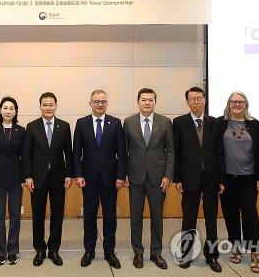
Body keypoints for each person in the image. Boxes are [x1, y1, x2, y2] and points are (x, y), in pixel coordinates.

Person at [73, 89, 126, 269]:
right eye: (96, 101)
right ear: (90, 103)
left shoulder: (116, 123)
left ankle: (109, 251)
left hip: (111, 180)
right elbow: (76, 153)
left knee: (110, 216)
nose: (100, 104)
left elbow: (122, 153)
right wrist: (78, 174)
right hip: (88, 180)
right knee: (89, 215)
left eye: (103, 101)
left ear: (107, 103)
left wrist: (120, 176)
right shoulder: (81, 123)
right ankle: (89, 250)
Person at [172, 87, 223, 272]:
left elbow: (220, 152)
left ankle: (212, 256)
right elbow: (176, 152)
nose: (196, 102)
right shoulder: (178, 122)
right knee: (189, 219)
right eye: (192, 99)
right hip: (188, 178)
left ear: (204, 100)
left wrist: (221, 179)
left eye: (199, 98)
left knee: (211, 219)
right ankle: (186, 254)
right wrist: (177, 178)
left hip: (211, 178)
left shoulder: (214, 122)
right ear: (187, 102)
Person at [123, 87, 174, 270]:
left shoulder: (165, 122)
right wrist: (125, 174)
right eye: (143, 100)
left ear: (154, 102)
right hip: (135, 178)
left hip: (158, 179)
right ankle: (138, 252)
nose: (147, 103)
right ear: (138, 102)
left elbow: (171, 151)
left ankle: (156, 252)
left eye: (150, 100)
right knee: (135, 217)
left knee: (157, 218)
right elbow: (124, 152)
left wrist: (168, 175)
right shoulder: (128, 122)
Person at [217, 91, 259, 274]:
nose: (237, 104)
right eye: (234, 101)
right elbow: (215, 153)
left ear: (246, 104)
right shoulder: (220, 123)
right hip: (227, 180)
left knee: (249, 213)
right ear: (228, 103)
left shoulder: (254, 124)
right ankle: (236, 247)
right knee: (230, 215)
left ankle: (254, 252)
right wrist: (219, 180)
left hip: (249, 179)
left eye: (241, 101)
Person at [23, 92, 73, 267]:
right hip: (37, 179)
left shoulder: (64, 126)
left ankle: (53, 249)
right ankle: (39, 250)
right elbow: (26, 155)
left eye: (51, 105)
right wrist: (27, 176)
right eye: (45, 105)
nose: (48, 108)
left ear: (56, 106)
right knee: (38, 216)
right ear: (40, 106)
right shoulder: (32, 126)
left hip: (59, 179)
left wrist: (68, 175)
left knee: (57, 215)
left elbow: (69, 154)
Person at [0, 97, 26, 265]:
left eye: (12, 108)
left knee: (15, 216)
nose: (8, 111)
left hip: (17, 179)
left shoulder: (22, 130)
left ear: (16, 111)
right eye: (5, 107)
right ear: (0, 110)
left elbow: (25, 156)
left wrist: (24, 177)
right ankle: (0, 251)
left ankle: (12, 250)